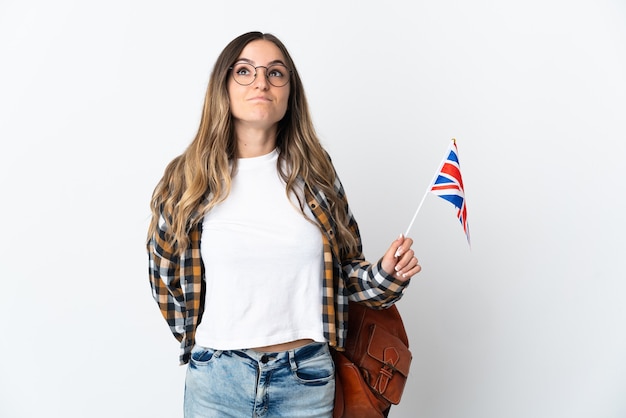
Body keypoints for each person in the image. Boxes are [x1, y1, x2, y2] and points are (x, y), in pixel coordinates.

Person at [146, 31, 422, 418]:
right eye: (245, 71)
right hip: (216, 383)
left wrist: (386, 274)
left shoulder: (316, 175)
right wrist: (208, 344)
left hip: (305, 380)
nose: (261, 81)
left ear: (290, 92)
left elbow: (343, 275)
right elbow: (164, 276)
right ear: (223, 86)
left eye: (276, 73)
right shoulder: (187, 178)